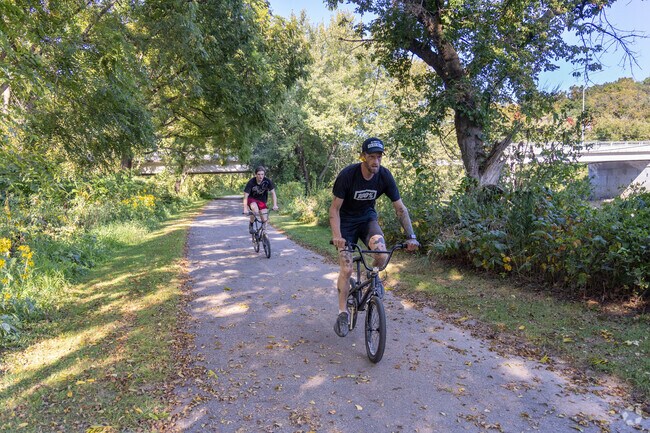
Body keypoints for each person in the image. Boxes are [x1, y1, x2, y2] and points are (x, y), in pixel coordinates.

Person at [329, 137, 419, 337]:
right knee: (346, 267)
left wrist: (411, 236)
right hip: (346, 223)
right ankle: (342, 313)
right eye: (371, 157)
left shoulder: (384, 176)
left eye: (379, 157)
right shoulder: (348, 175)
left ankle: (371, 280)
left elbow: (400, 209)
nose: (375, 161)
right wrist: (337, 237)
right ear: (363, 156)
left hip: (367, 219)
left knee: (381, 254)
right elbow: (334, 210)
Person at [243, 166, 279, 233]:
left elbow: (273, 193)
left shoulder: (267, 181)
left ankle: (264, 233)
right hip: (252, 199)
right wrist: (245, 209)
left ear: (264, 174)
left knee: (265, 219)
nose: (260, 176)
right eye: (259, 174)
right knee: (255, 210)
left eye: (262, 174)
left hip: (262, 200)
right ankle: (251, 224)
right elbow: (245, 196)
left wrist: (275, 205)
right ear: (256, 175)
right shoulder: (251, 182)